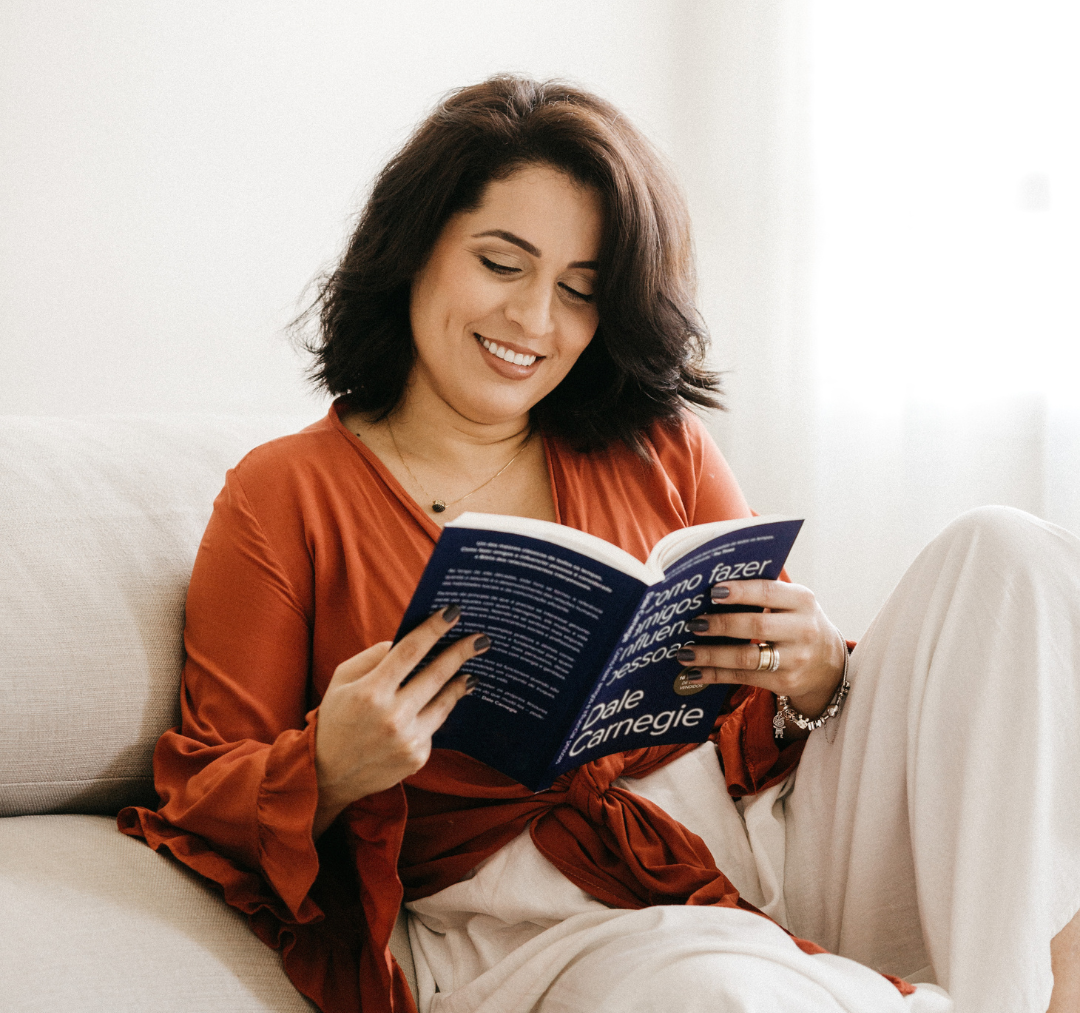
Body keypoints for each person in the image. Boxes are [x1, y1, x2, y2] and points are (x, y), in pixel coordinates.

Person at [119, 76, 1080, 1013]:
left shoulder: (658, 445)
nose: (534, 321)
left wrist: (818, 677)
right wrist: (330, 764)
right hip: (541, 922)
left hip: (763, 848)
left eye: (579, 291)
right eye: (501, 264)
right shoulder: (285, 492)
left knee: (1008, 556)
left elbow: (765, 725)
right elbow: (199, 791)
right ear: (415, 251)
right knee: (716, 992)